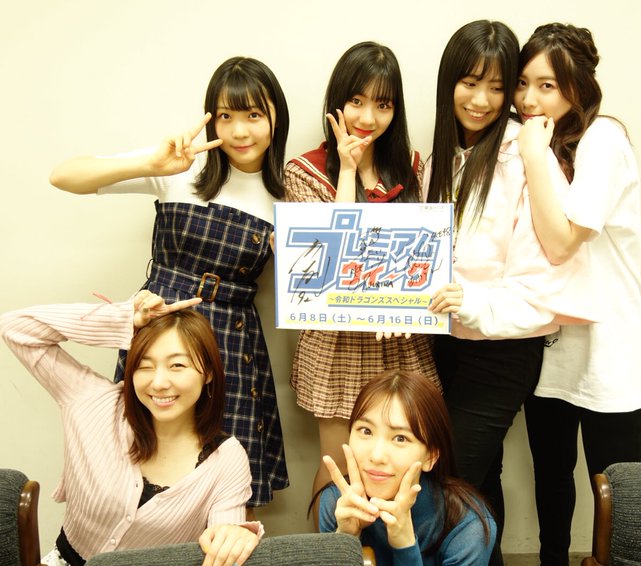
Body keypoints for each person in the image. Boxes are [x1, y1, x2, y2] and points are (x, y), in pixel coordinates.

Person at [49, 57, 290, 508]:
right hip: (159, 327)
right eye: (226, 116)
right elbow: (64, 176)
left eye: (254, 115)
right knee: (140, 464)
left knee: (223, 482)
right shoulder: (182, 168)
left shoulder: (286, 195)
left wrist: (291, 257)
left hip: (231, 344)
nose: (239, 131)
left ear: (276, 117)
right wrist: (152, 162)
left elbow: (316, 288)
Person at [425, 20, 593, 565]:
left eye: (497, 87)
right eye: (470, 83)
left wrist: (472, 303)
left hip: (502, 351)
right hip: (445, 343)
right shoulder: (440, 157)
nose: (482, 100)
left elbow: (543, 283)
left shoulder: (526, 156)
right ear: (449, 82)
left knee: (450, 479)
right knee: (480, 483)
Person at [514, 23, 641, 565]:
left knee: (621, 501)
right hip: (550, 350)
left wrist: (532, 154)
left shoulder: (604, 140)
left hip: (611, 354)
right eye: (523, 83)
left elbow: (562, 242)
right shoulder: (540, 143)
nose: (529, 99)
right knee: (551, 487)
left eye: (546, 85)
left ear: (577, 86)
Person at [283, 41, 440, 522]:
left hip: (400, 340)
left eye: (383, 104)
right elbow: (331, 263)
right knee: (341, 470)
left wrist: (405, 306)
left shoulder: (412, 165)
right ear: (337, 101)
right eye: (356, 101)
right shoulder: (305, 171)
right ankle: (330, 554)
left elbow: (425, 254)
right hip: (338, 345)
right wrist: (348, 171)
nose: (368, 117)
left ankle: (394, 550)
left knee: (400, 470)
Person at [0, 290, 263, 566]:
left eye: (177, 365)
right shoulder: (94, 401)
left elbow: (223, 545)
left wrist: (235, 537)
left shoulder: (227, 460)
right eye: (145, 366)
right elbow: (16, 328)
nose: (159, 383)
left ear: (208, 372)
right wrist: (124, 318)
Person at [320, 370, 496, 566]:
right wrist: (345, 539)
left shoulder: (467, 526)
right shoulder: (338, 503)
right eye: (366, 431)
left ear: (431, 456)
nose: (377, 456)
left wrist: (404, 545)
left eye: (400, 438)